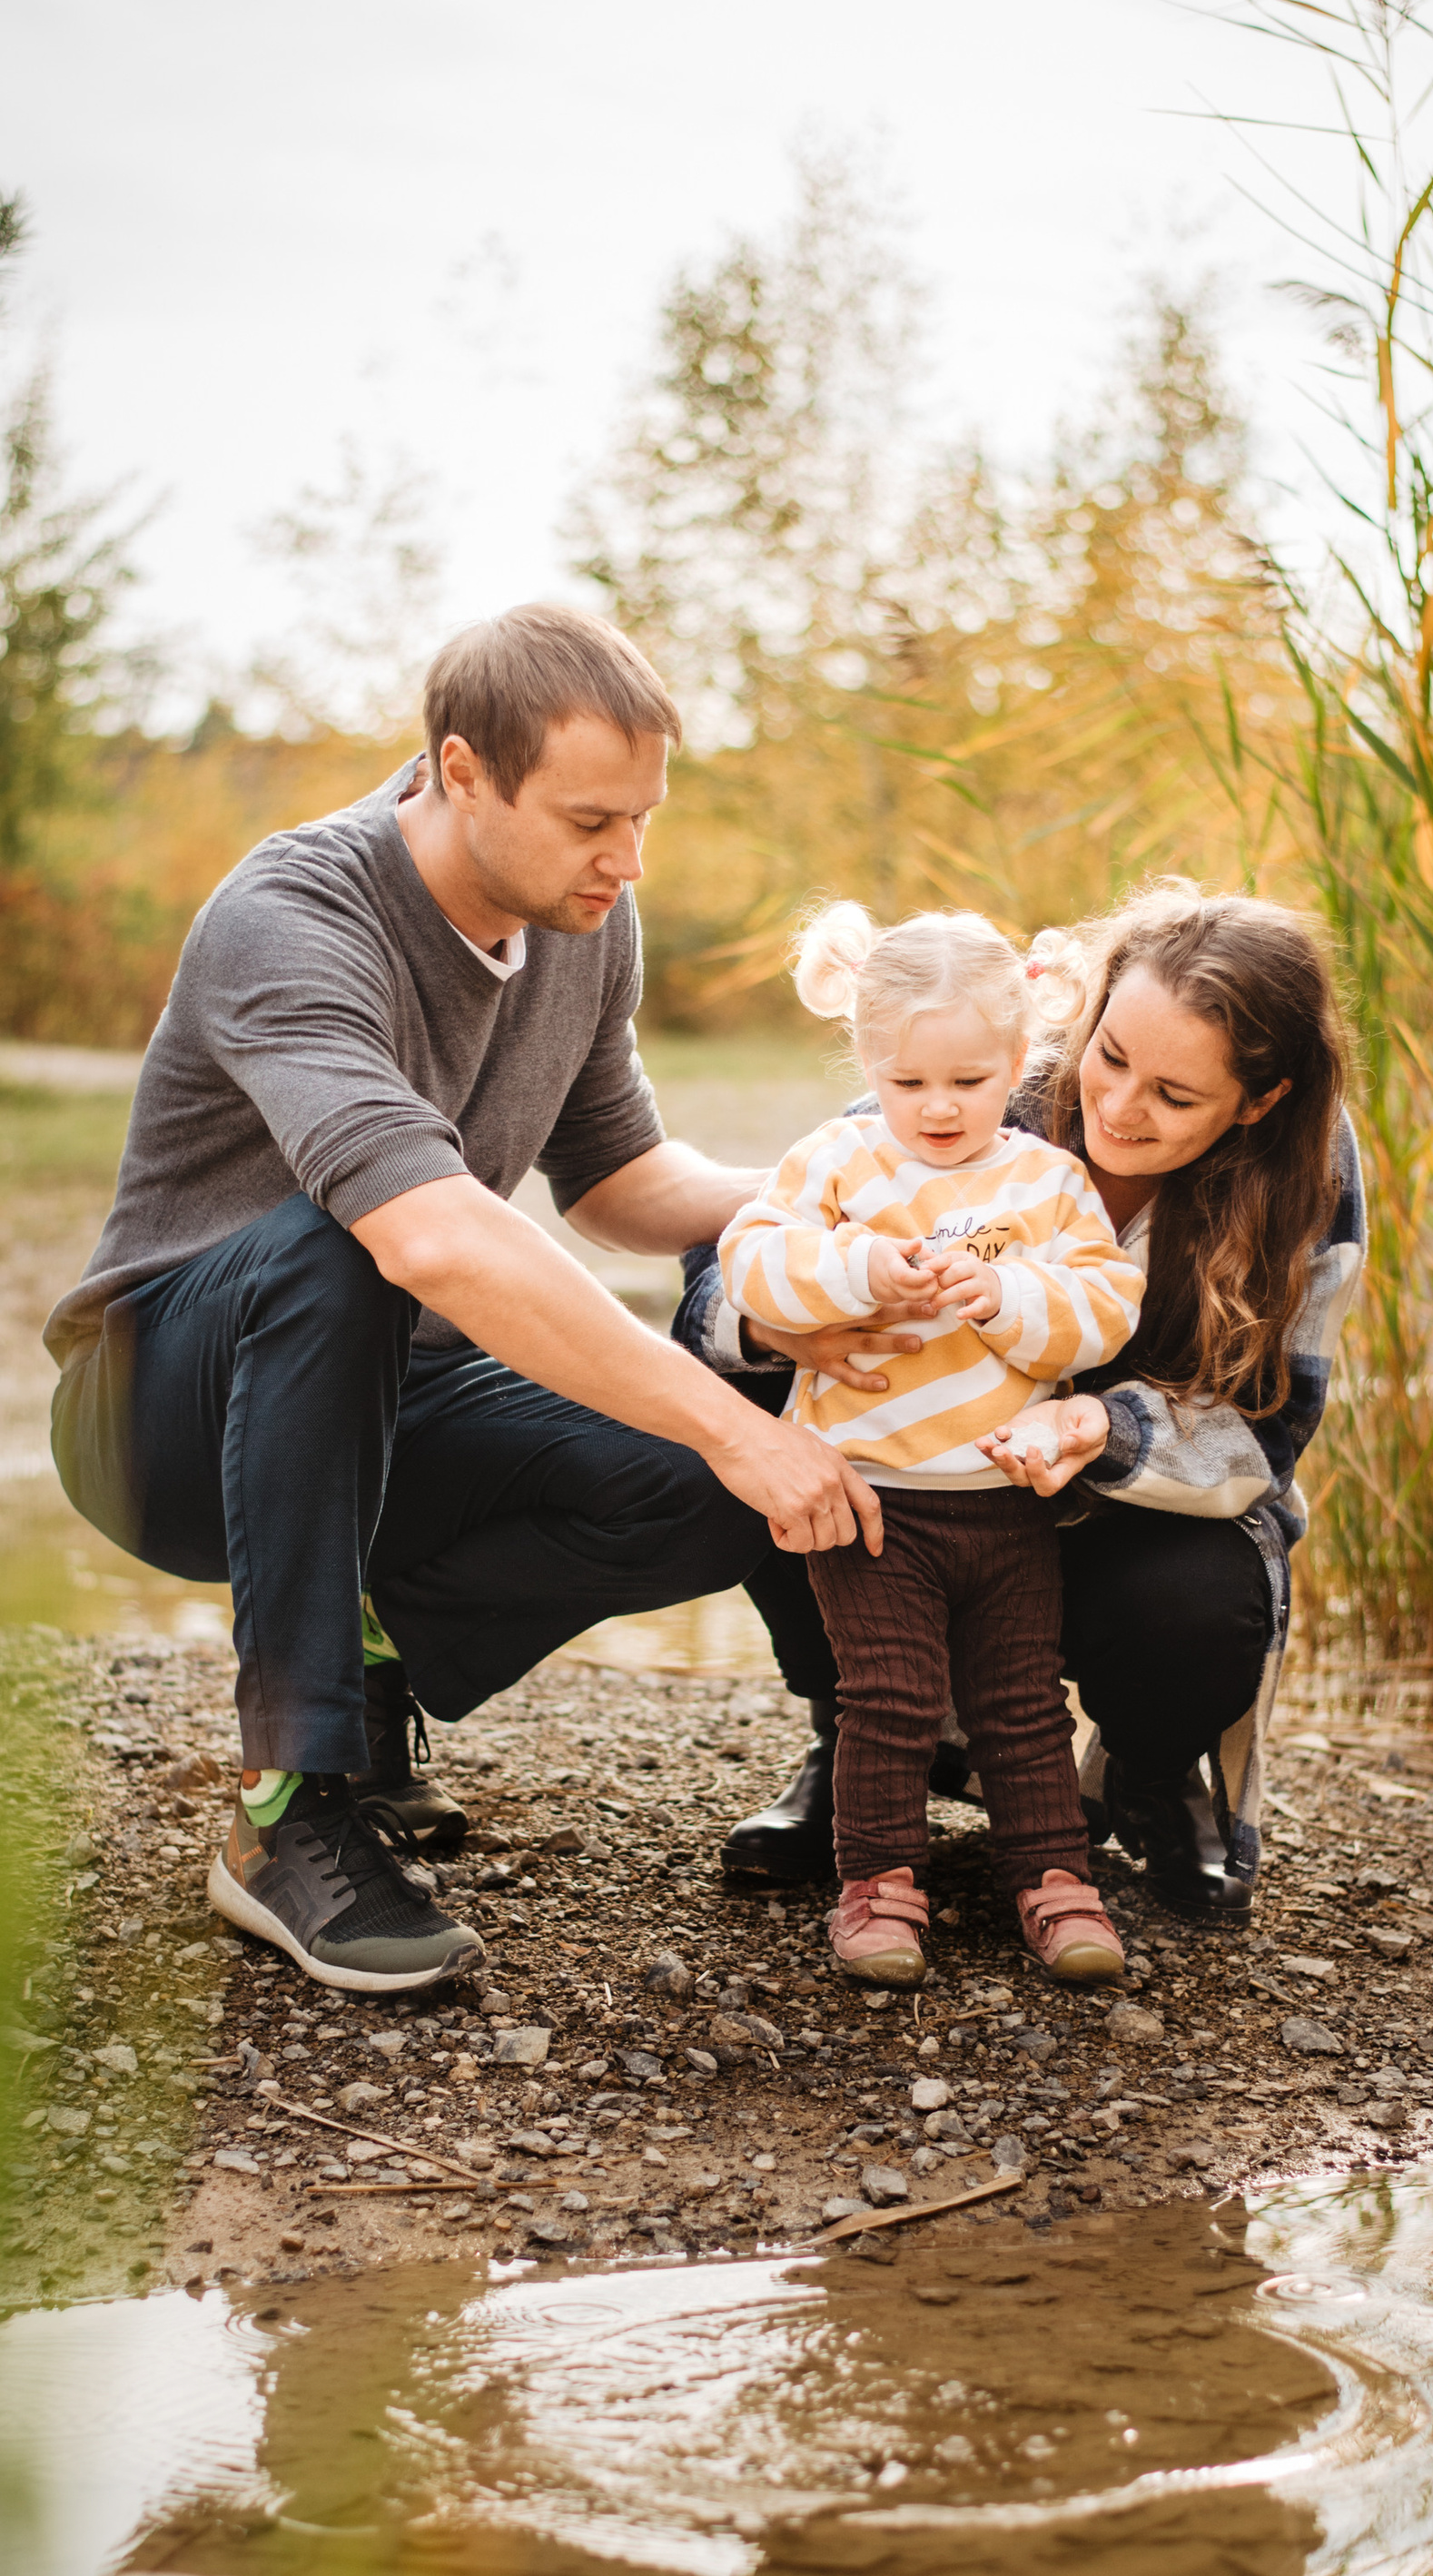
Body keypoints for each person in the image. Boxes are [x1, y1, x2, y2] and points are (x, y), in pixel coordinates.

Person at [44, 603, 880, 1997]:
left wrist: (844, 1196)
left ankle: (369, 1655)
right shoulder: (292, 915)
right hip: (160, 1415)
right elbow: (433, 1237)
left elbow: (616, 1179)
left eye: (645, 820)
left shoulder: (581, 916)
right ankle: (287, 1803)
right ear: (461, 769)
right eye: (591, 819)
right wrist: (742, 1428)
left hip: (399, 1394)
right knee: (343, 1243)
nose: (626, 858)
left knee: (714, 1475)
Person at [688, 880, 1363, 1924]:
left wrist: (1104, 1424)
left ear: (1258, 1101)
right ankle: (860, 1737)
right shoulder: (972, 1076)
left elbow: (1267, 1430)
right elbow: (721, 1281)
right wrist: (789, 1324)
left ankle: (1147, 1765)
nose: (1119, 1108)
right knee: (757, 1435)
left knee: (1200, 1602)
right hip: (909, 1483)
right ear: (1078, 1021)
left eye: (1175, 1097)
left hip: (1116, 1509)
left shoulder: (1306, 1171)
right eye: (1110, 1057)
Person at [716, 902, 1141, 1989]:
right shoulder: (838, 1163)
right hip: (870, 1496)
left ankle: (1051, 1877)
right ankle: (878, 1884)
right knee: (892, 1694)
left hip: (1004, 1496)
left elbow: (1104, 1308)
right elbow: (751, 1262)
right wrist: (857, 1271)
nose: (938, 1108)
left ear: (1019, 1058)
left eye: (968, 1080)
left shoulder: (1047, 1182)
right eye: (908, 1083)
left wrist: (1003, 1292)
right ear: (866, 1060)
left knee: (1020, 1700)